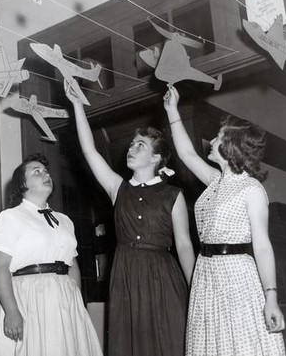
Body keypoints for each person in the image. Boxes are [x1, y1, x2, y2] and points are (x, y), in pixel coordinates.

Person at [68, 95, 195, 356]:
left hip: (163, 276)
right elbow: (89, 150)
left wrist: (196, 287)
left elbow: (183, 245)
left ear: (156, 158)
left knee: (170, 341)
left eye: (140, 145)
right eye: (131, 144)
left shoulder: (173, 195)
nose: (131, 148)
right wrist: (78, 105)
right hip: (125, 274)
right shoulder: (118, 188)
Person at [163, 86, 286, 356]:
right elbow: (187, 154)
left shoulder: (251, 189)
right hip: (206, 275)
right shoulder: (216, 181)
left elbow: (263, 246)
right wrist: (172, 110)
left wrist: (271, 297)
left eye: (218, 136)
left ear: (230, 146)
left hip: (236, 276)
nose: (212, 140)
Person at [0, 153, 103, 356]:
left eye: (46, 171)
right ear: (22, 184)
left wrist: (77, 306)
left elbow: (72, 264)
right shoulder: (9, 217)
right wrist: (11, 312)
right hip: (28, 298)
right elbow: (0, 268)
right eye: (36, 172)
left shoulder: (64, 220)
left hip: (64, 299)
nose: (45, 174)